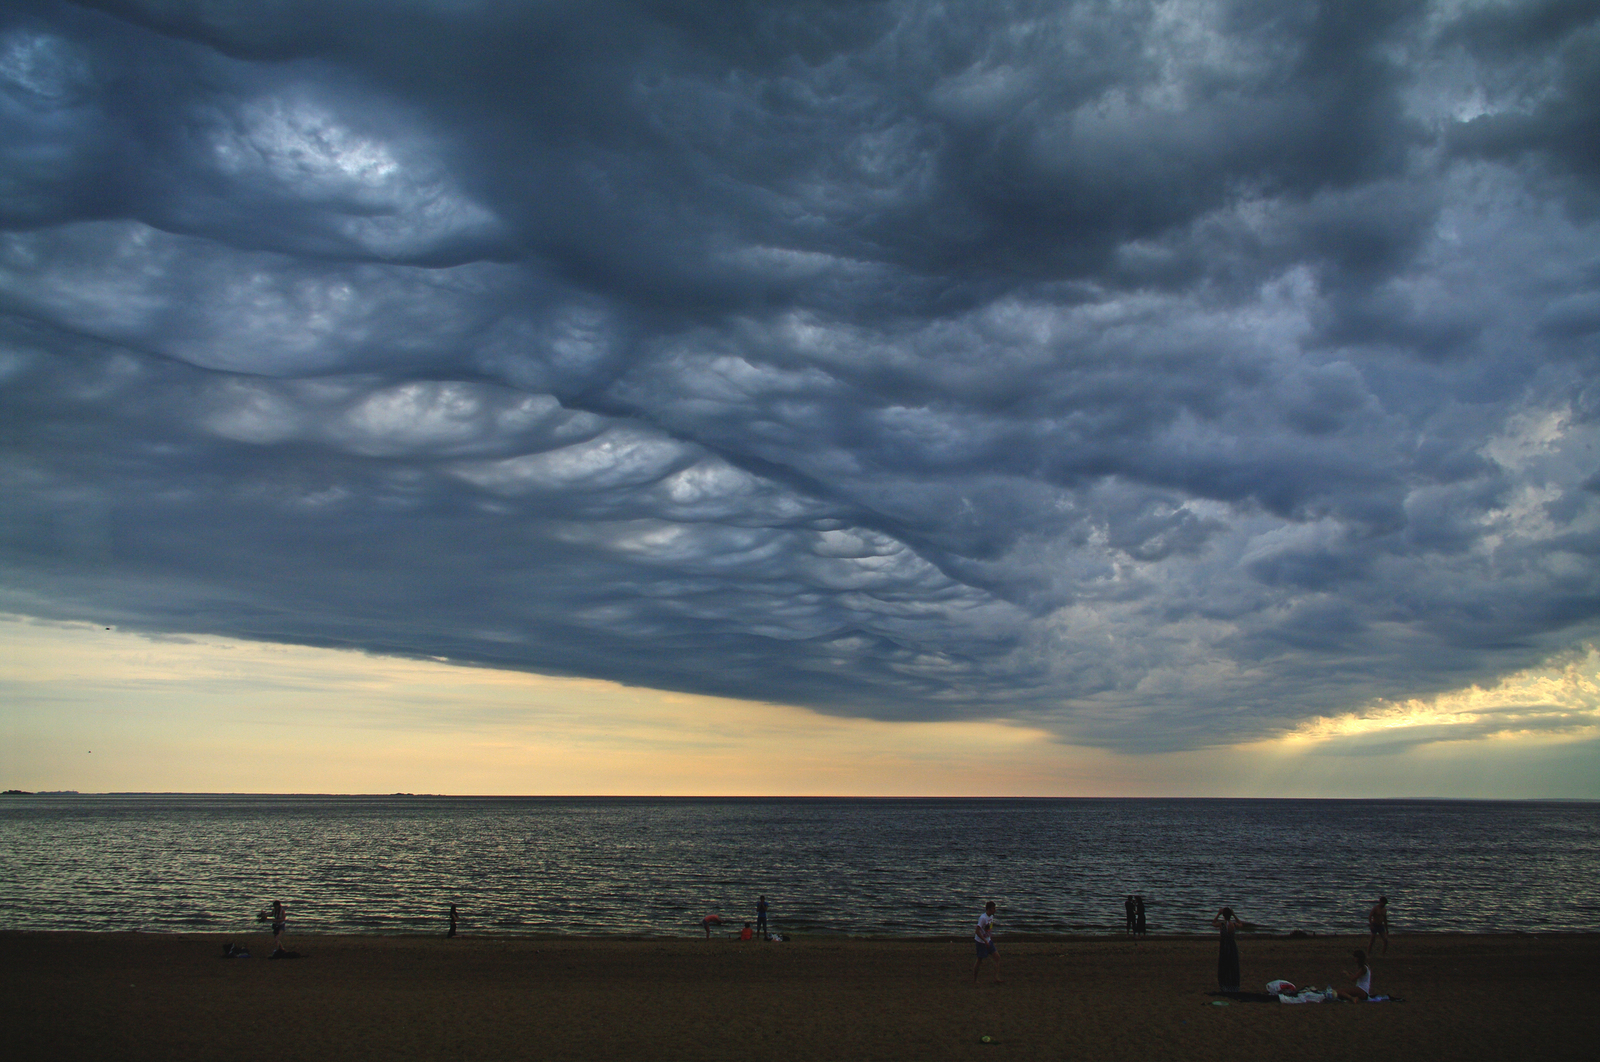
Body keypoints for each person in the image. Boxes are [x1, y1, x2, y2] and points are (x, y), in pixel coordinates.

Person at [1212, 906, 1242, 992]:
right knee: (1233, 964)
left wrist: (1218, 913)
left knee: (1224, 965)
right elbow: (1240, 924)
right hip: (1232, 945)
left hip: (1224, 945)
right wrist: (1234, 915)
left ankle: (1224, 984)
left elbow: (1213, 923)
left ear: (1224, 916)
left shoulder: (1222, 924)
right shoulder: (1233, 925)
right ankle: (1233, 984)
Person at [973, 901, 1001, 982]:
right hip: (981, 942)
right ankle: (975, 979)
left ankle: (996, 978)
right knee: (979, 960)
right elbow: (977, 931)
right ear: (989, 909)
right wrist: (984, 940)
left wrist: (988, 939)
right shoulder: (983, 918)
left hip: (988, 941)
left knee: (997, 957)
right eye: (993, 908)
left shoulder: (991, 916)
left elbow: (988, 929)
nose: (995, 910)